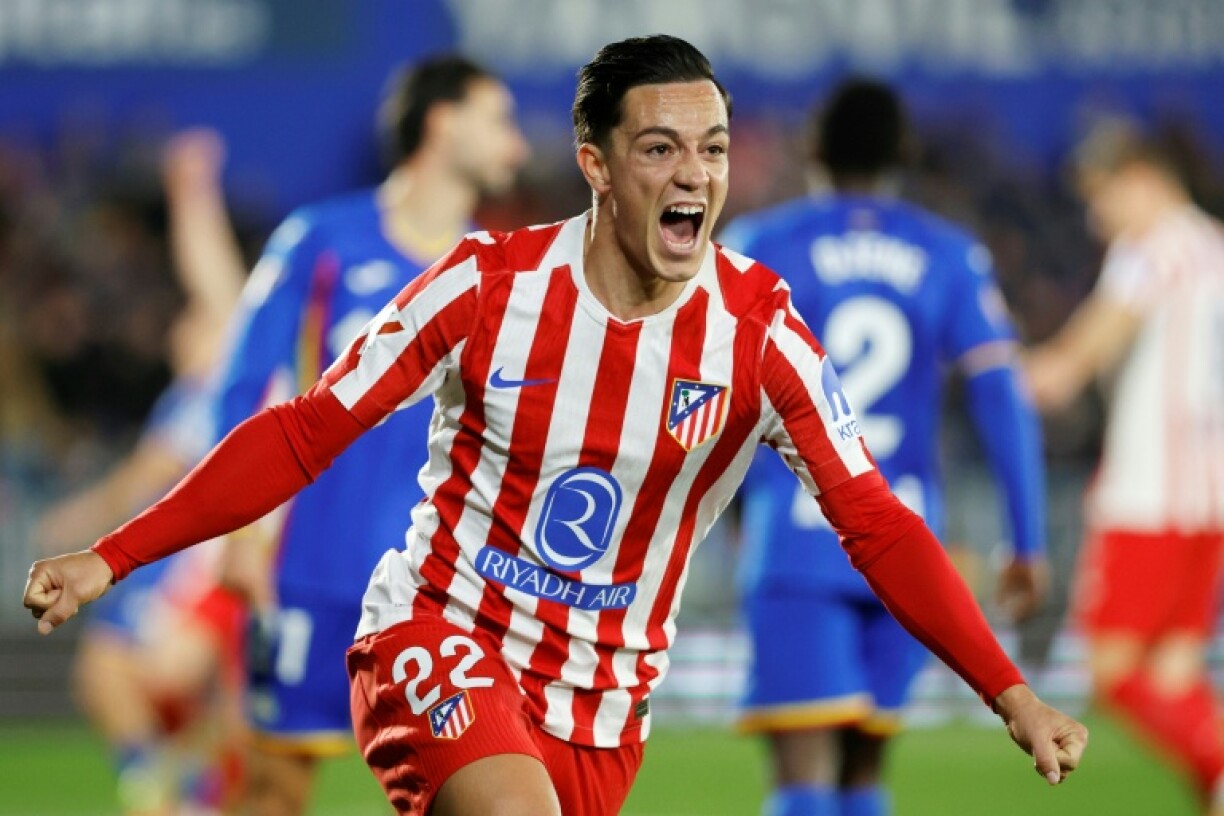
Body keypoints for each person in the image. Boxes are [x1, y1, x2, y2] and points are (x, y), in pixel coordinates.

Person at [25, 35, 1087, 816]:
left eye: (711, 150)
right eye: (660, 149)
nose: (693, 177)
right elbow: (304, 431)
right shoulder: (485, 288)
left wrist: (1010, 692)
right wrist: (112, 558)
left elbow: (878, 521)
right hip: (435, 635)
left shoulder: (760, 333)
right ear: (594, 160)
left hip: (601, 706)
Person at [717, 79, 1050, 816]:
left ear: (812, 149)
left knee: (802, 773)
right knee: (862, 777)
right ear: (904, 152)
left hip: (795, 542)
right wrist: (1028, 541)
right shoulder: (949, 254)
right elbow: (1002, 397)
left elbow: (716, 398)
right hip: (907, 546)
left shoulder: (760, 246)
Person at [207, 54, 529, 815]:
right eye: (500, 120)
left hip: (445, 588)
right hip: (309, 569)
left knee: (470, 793)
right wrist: (242, 531)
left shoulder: (507, 272)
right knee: (273, 790)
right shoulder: (318, 241)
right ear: (442, 122)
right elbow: (243, 387)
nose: (516, 146)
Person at [32, 129, 248, 815]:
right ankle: (181, 788)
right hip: (177, 570)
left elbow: (217, 291)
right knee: (125, 683)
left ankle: (175, 788)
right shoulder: (185, 401)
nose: (187, 321)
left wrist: (192, 191)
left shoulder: (227, 385)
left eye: (200, 320)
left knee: (120, 671)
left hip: (211, 569)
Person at [1025, 120, 1224, 814]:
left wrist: (998, 376)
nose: (1094, 216)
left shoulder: (1153, 249)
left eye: (1100, 196)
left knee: (1110, 675)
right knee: (1172, 679)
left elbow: (1077, 359)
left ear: (1140, 181)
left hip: (1148, 496)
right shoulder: (1214, 249)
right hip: (1209, 501)